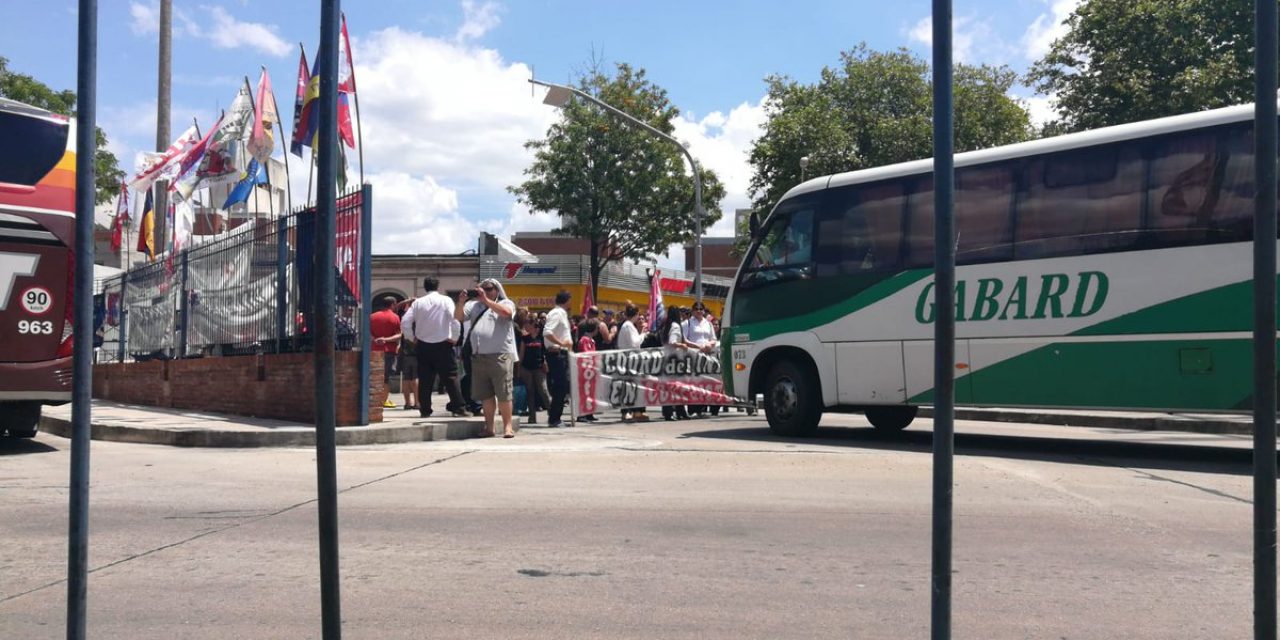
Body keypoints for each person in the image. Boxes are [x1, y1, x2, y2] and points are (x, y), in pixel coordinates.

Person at [456, 278, 518, 438]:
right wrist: (461, 302)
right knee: (486, 395)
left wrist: (486, 300)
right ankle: (489, 427)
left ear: (497, 290)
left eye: (489, 288)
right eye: (481, 289)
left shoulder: (507, 303)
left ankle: (507, 427)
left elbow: (506, 313)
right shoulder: (474, 306)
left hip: (500, 355)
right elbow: (459, 318)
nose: (485, 291)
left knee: (504, 393)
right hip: (479, 356)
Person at [402, 276, 470, 418]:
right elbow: (455, 320)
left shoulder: (418, 303)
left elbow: (405, 322)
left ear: (425, 287)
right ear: (437, 286)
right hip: (444, 343)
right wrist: (454, 338)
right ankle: (458, 407)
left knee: (425, 379)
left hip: (423, 345)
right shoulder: (446, 300)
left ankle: (425, 410)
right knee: (451, 377)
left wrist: (411, 337)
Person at [682, 301, 720, 417]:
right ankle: (693, 409)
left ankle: (702, 407)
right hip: (693, 354)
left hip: (707, 356)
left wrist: (709, 344)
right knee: (694, 382)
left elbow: (713, 338)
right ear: (692, 311)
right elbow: (684, 340)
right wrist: (698, 346)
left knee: (706, 381)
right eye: (696, 309)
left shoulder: (708, 324)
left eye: (701, 309)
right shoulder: (687, 323)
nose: (699, 311)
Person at [542, 290, 574, 428]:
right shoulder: (556, 313)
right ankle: (554, 418)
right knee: (560, 386)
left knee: (563, 386)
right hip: (557, 353)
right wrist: (561, 344)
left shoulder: (562, 313)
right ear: (567, 300)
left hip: (562, 353)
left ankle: (556, 417)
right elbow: (547, 332)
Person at [615, 301, 649, 423]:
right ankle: (626, 412)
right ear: (635, 314)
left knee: (633, 387)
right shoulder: (628, 325)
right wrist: (643, 334)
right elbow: (635, 343)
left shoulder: (627, 325)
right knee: (628, 387)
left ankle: (635, 411)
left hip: (631, 360)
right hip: (628, 360)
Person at [370, 295, 402, 409]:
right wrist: (386, 339)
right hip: (389, 350)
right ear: (392, 305)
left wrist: (375, 339)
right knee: (385, 377)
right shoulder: (395, 317)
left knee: (373, 375)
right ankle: (383, 400)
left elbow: (367, 333)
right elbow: (399, 335)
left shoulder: (372, 316)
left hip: (373, 350)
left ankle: (373, 399)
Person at [518, 316, 552, 425]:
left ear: (534, 326)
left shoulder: (541, 338)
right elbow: (521, 354)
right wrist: (518, 368)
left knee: (543, 390)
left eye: (528, 324)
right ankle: (532, 417)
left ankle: (552, 414)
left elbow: (545, 352)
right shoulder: (525, 339)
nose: (526, 326)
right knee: (530, 392)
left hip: (539, 368)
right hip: (526, 368)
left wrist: (545, 362)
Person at [660, 308, 691, 422]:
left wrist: (699, 346)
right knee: (677, 387)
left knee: (671, 387)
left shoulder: (667, 326)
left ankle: (676, 411)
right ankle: (677, 411)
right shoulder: (676, 326)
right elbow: (673, 342)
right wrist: (682, 346)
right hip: (675, 360)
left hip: (668, 359)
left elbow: (685, 340)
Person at [395, 300, 419, 410]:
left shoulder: (405, 317)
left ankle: (407, 403)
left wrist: (408, 300)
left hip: (405, 352)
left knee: (406, 378)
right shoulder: (420, 318)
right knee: (416, 378)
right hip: (417, 352)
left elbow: (397, 306)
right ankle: (417, 402)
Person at [575, 318, 599, 423]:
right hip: (584, 370)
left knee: (591, 392)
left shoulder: (591, 340)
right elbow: (585, 353)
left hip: (591, 370)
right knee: (584, 392)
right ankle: (582, 414)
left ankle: (590, 413)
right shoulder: (584, 340)